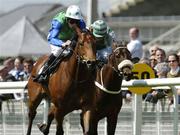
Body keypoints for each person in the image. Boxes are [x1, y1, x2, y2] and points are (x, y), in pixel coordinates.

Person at [33, 5, 86, 83]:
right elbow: (51, 38)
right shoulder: (59, 21)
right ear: (67, 19)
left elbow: (83, 35)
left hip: (70, 40)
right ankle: (43, 73)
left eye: (76, 21)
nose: (74, 24)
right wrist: (62, 43)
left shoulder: (81, 22)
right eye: (71, 21)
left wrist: (79, 30)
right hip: (57, 39)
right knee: (58, 51)